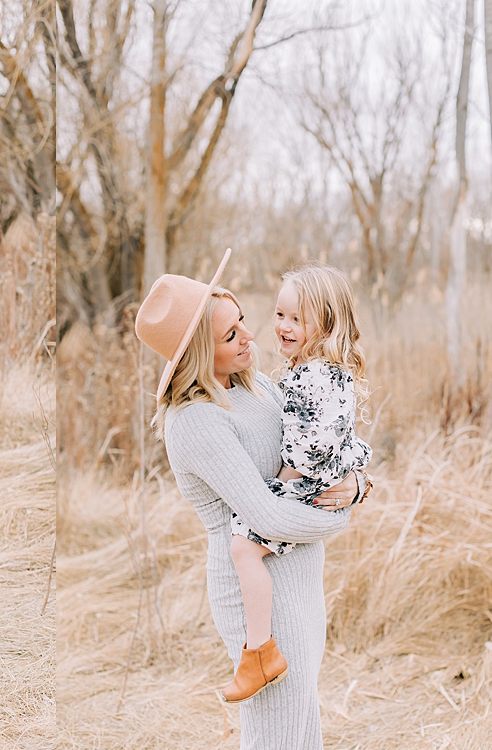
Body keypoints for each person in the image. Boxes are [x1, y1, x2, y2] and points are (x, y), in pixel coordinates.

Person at [134, 250, 368, 748]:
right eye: (230, 335)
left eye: (241, 320)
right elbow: (266, 515)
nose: (251, 336)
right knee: (275, 735)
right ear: (199, 353)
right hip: (256, 594)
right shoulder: (195, 421)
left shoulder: (256, 385)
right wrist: (341, 515)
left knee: (302, 725)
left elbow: (319, 447)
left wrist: (357, 484)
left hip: (299, 576)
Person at [225, 263, 372, 703]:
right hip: (316, 483)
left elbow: (311, 451)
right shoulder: (321, 370)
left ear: (325, 325)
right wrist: (354, 466)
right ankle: (259, 652)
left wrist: (284, 480)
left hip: (305, 487)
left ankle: (259, 651)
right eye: (279, 314)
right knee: (245, 547)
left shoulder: (311, 377)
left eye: (297, 319)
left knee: (243, 547)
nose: (283, 327)